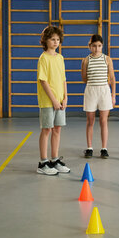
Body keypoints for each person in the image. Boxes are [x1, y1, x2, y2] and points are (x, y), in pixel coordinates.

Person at [36, 26, 71, 175]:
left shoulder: (60, 58)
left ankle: (54, 160)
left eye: (57, 39)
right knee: (46, 130)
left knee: (57, 129)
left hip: (60, 100)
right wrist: (54, 100)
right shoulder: (43, 58)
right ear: (45, 41)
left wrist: (65, 97)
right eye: (52, 39)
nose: (55, 42)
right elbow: (43, 81)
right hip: (47, 101)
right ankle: (43, 162)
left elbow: (63, 79)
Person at [81, 34, 116, 159]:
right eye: (94, 46)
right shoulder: (86, 60)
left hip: (104, 91)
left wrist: (113, 95)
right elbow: (84, 78)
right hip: (91, 90)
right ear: (89, 46)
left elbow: (112, 78)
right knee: (90, 121)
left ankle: (104, 148)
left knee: (103, 121)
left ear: (102, 46)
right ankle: (89, 148)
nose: (97, 48)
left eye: (99, 46)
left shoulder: (107, 59)